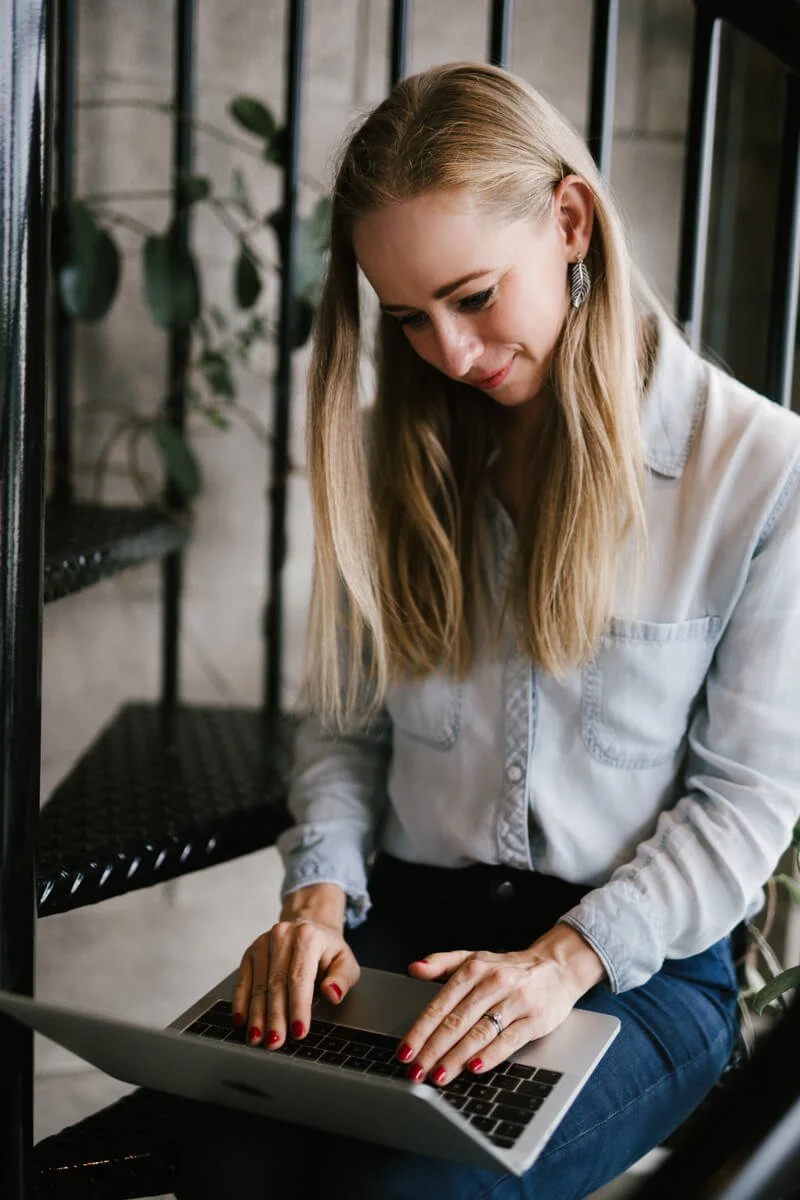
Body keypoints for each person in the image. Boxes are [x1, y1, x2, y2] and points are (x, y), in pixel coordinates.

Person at [177, 61, 800, 1199]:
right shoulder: (391, 452)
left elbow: (744, 803)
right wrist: (313, 904)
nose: (450, 357)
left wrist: (557, 966)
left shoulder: (757, 470)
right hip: (404, 926)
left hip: (631, 969)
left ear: (568, 222)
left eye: (472, 298)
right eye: (407, 318)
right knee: (224, 1163)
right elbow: (346, 733)